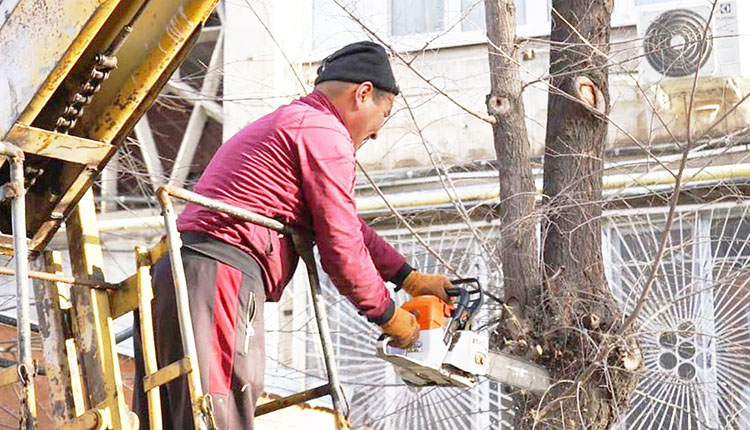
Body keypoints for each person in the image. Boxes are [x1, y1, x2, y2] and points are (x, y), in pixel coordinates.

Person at [134, 41, 452, 430]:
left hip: (181, 275)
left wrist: (407, 277)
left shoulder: (296, 123)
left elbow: (345, 223)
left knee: (175, 417)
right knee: (222, 410)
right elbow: (340, 248)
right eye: (381, 118)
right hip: (222, 274)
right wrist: (388, 315)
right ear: (363, 93)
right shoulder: (325, 134)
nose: (374, 136)